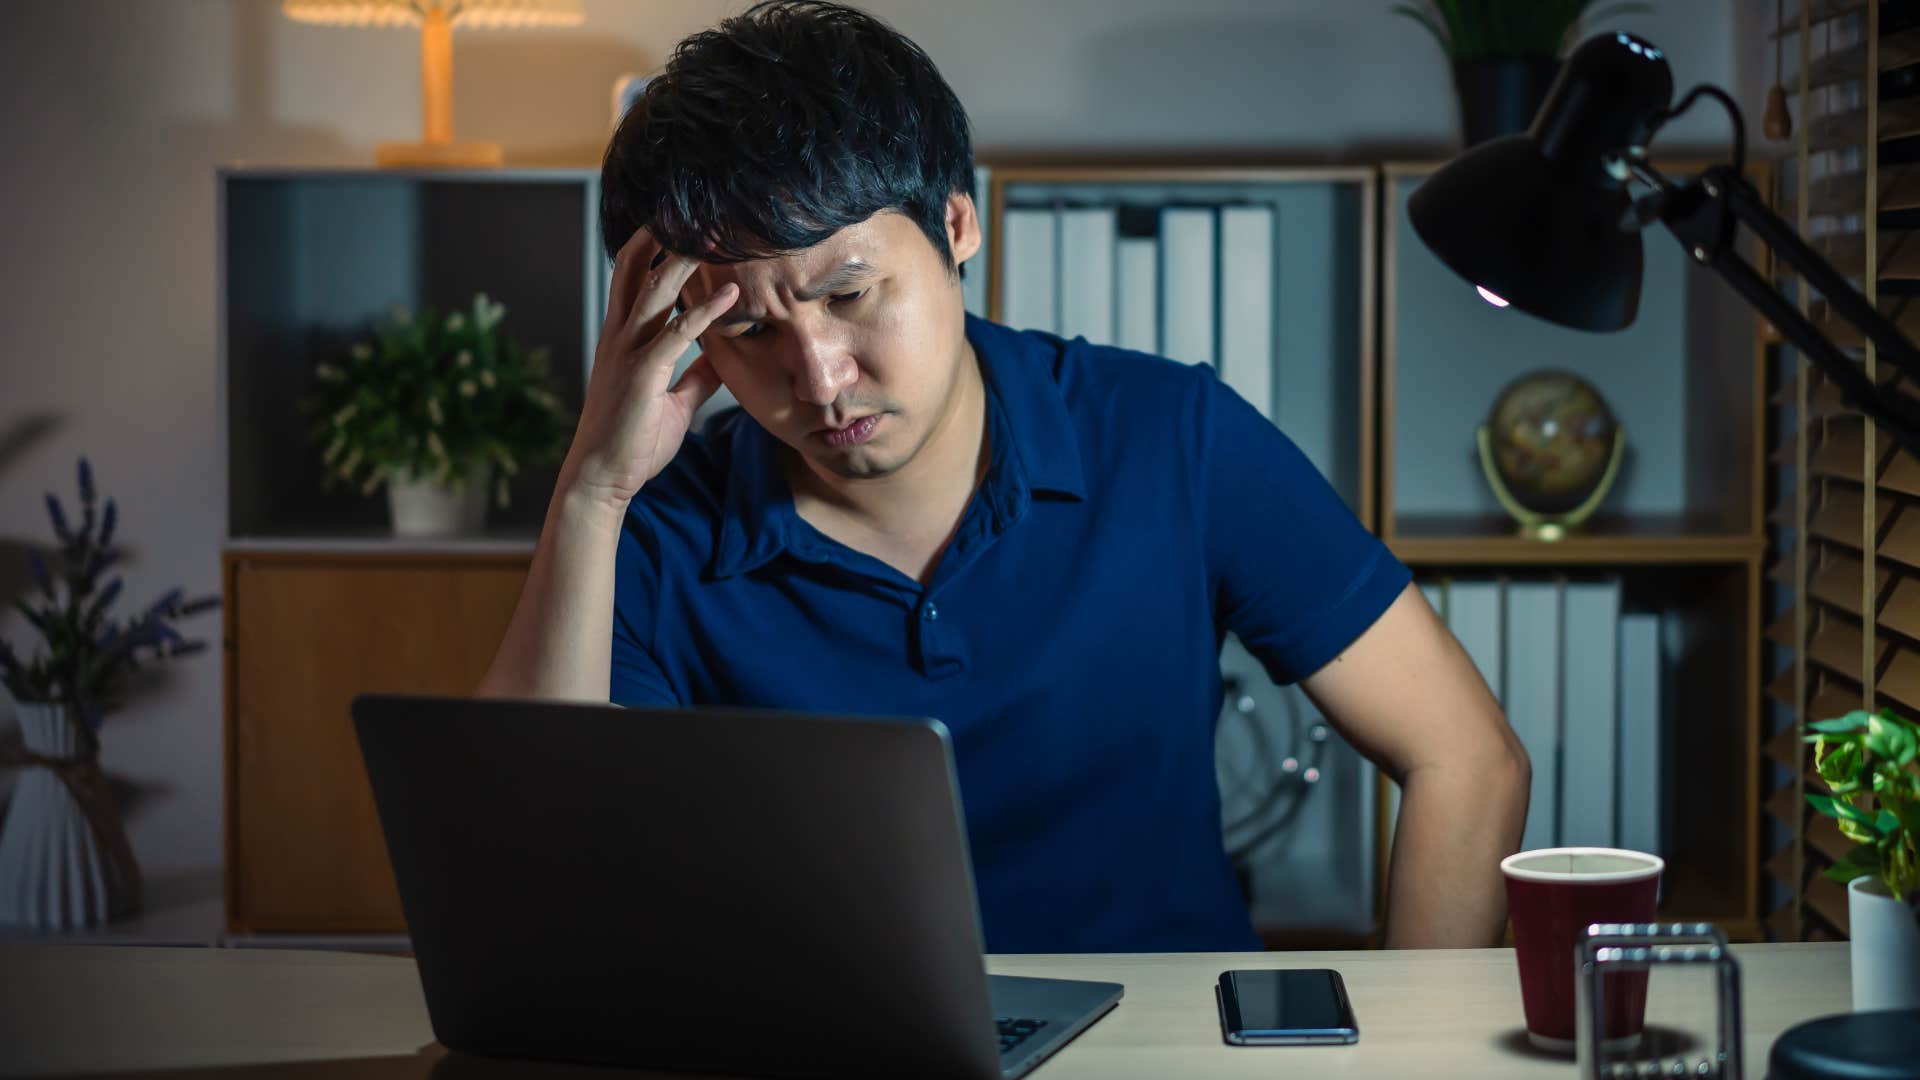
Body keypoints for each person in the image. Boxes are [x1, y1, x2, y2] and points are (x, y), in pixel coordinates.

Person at [476, 0, 1528, 953]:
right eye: (745, 328)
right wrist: (594, 491)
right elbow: (528, 886)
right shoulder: (657, 532)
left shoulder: (1170, 437)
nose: (820, 377)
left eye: (849, 293)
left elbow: (1467, 759)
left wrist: (1412, 1045)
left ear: (957, 225)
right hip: (817, 1048)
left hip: (1161, 1053)